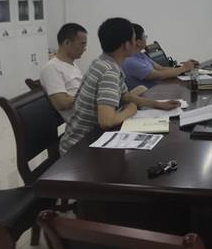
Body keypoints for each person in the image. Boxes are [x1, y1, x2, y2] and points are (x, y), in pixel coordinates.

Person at [60, 18, 179, 154]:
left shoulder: (101, 62)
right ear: (126, 45)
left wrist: (158, 104)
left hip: (82, 141)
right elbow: (106, 121)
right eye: (134, 39)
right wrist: (131, 110)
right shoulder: (109, 72)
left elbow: (126, 96)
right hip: (79, 150)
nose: (136, 43)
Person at [122, 23, 197, 90]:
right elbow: (159, 75)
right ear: (138, 42)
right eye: (144, 37)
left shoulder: (140, 55)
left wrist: (184, 69)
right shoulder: (130, 61)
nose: (146, 39)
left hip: (157, 90)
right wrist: (184, 68)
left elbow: (161, 68)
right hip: (148, 96)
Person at [40, 23, 88, 121]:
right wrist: (90, 96)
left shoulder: (72, 65)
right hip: (82, 123)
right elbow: (62, 103)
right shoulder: (51, 68)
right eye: (82, 44)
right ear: (67, 43)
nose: (85, 49)